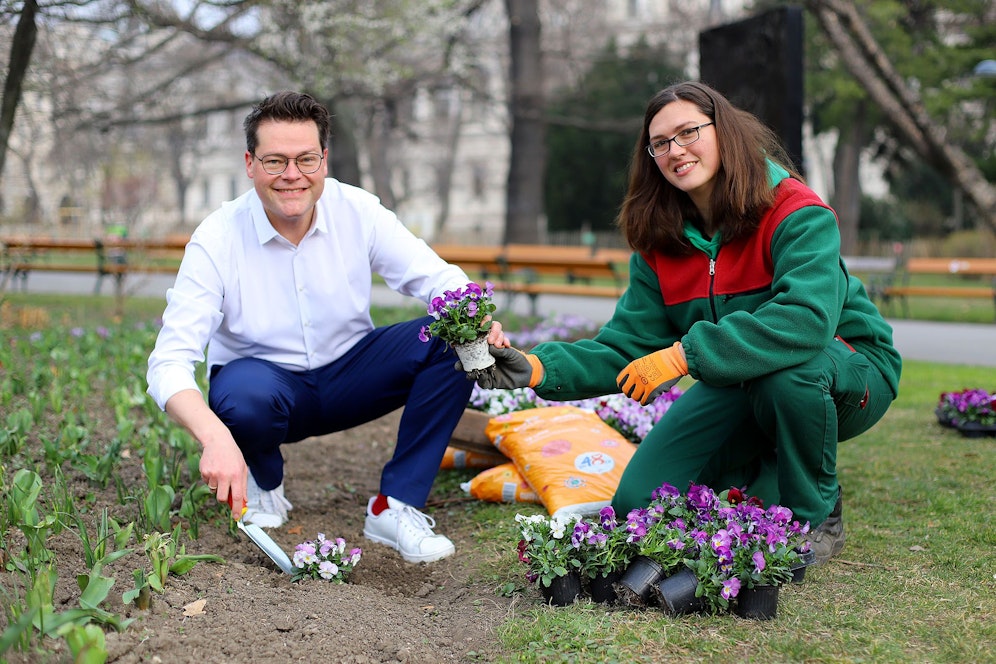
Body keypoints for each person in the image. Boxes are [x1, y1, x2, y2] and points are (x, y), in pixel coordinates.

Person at [477, 81, 902, 565]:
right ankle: (767, 465)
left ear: (724, 130)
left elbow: (806, 320)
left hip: (846, 369)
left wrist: (683, 357)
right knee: (638, 503)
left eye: (688, 132)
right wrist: (534, 366)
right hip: (742, 381)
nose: (675, 150)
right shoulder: (663, 241)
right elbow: (627, 346)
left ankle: (815, 516)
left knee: (788, 378)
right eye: (659, 143)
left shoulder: (794, 211)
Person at [147, 91, 509, 564]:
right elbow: (169, 362)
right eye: (275, 161)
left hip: (351, 375)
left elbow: (437, 278)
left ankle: (396, 506)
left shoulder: (357, 209)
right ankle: (264, 481)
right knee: (241, 394)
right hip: (267, 389)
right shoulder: (217, 237)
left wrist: (477, 317)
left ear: (324, 160)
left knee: (455, 338)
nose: (292, 174)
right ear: (250, 164)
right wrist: (215, 438)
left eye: (305, 159)